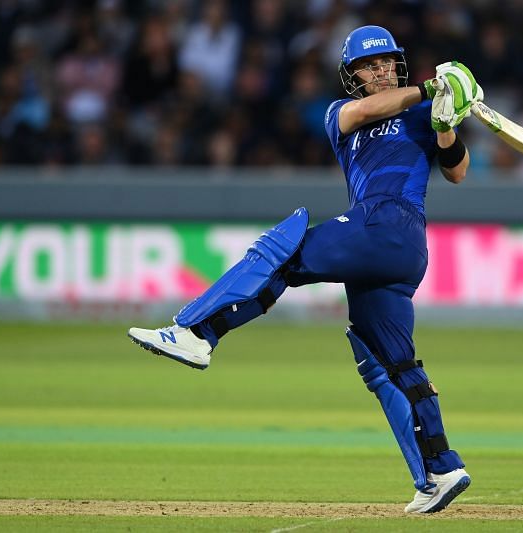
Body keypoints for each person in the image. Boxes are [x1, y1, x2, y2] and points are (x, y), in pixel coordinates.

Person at [128, 25, 482, 514]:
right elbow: (366, 111)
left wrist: (446, 120)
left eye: (386, 63)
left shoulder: (423, 112)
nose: (379, 71)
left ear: (397, 65)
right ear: (352, 75)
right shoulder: (344, 113)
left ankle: (197, 333)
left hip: (389, 224)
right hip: (389, 246)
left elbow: (457, 170)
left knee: (282, 252)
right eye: (369, 65)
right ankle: (441, 468)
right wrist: (428, 90)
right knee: (388, 365)